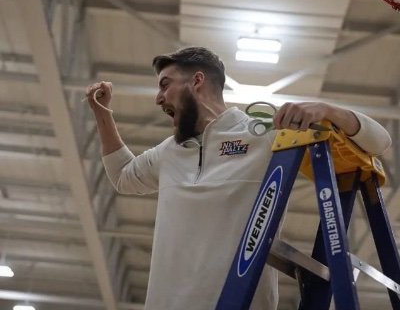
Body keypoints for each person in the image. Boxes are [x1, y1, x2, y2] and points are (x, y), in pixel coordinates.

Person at [86, 46, 391, 310]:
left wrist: (327, 110)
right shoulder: (169, 152)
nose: (158, 98)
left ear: (197, 81)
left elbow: (380, 142)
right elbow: (123, 176)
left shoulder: (265, 133)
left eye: (165, 85)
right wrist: (102, 113)